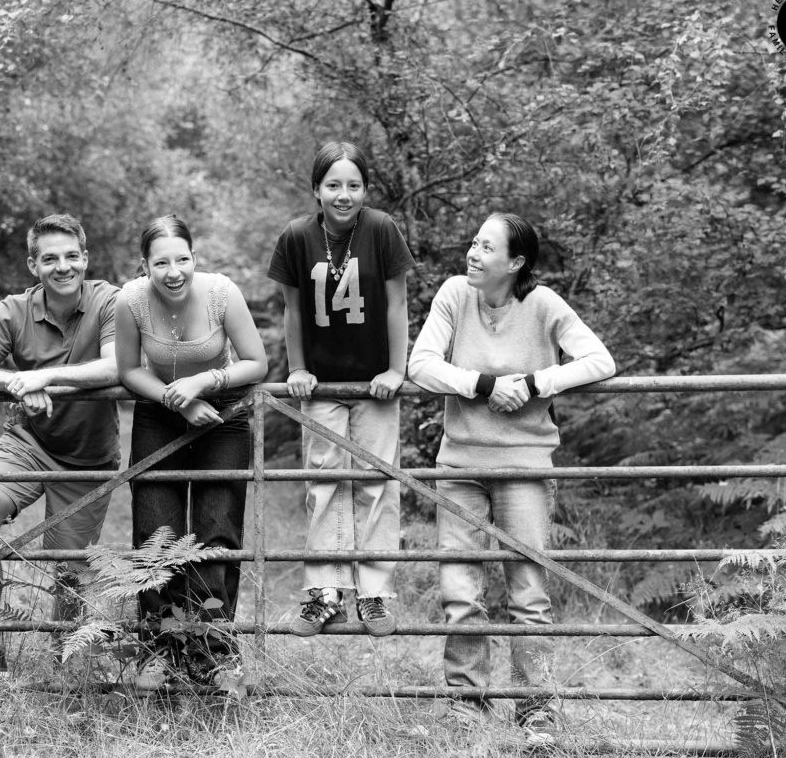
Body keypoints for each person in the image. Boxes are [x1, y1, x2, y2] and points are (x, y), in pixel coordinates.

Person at [407, 212, 615, 741]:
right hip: (459, 466)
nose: (473, 254)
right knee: (459, 589)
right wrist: (483, 385)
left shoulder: (543, 304)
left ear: (515, 262)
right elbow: (421, 365)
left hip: (523, 465)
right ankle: (467, 703)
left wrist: (536, 382)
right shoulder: (456, 294)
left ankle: (535, 708)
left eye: (486, 247)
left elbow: (599, 360)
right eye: (473, 243)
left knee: (528, 592)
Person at [0, 214, 121, 687]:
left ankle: (66, 666)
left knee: (67, 569)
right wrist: (19, 383)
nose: (62, 267)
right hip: (27, 442)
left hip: (88, 457)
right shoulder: (14, 309)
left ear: (86, 258)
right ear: (32, 265)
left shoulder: (108, 300)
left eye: (71, 256)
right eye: (50, 259)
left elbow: (116, 366)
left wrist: (49, 377)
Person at [267, 141, 416, 638]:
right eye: (333, 185)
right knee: (324, 480)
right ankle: (324, 593)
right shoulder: (295, 237)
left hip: (376, 384)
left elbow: (397, 305)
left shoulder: (381, 230)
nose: (344, 194)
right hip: (323, 383)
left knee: (376, 481)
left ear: (366, 190)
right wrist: (298, 368)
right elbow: (292, 310)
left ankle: (373, 594)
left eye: (353, 185)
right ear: (316, 189)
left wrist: (397, 370)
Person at [115, 214, 268, 689]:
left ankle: (213, 651)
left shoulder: (222, 292)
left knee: (217, 529)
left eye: (182, 259)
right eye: (161, 262)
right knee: (155, 529)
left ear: (194, 258)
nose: (173, 271)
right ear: (145, 266)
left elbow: (257, 362)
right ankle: (158, 651)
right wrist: (173, 398)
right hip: (160, 413)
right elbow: (127, 371)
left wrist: (204, 382)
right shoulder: (131, 300)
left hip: (222, 415)